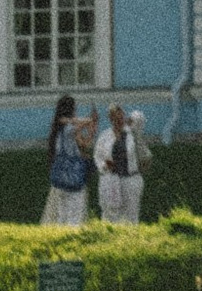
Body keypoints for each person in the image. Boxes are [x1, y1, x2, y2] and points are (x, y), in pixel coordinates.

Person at [42, 94, 91, 228]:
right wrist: (90, 119)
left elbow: (84, 143)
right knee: (74, 212)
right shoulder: (68, 128)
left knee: (62, 213)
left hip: (61, 177)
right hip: (72, 176)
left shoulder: (57, 130)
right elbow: (83, 123)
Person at [96, 103, 144, 229]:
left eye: (121, 117)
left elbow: (140, 118)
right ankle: (111, 237)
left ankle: (131, 238)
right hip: (112, 179)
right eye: (115, 118)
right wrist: (104, 165)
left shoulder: (131, 133)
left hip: (131, 178)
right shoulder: (105, 136)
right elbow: (98, 156)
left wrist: (131, 120)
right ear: (110, 119)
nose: (119, 121)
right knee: (111, 212)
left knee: (131, 212)